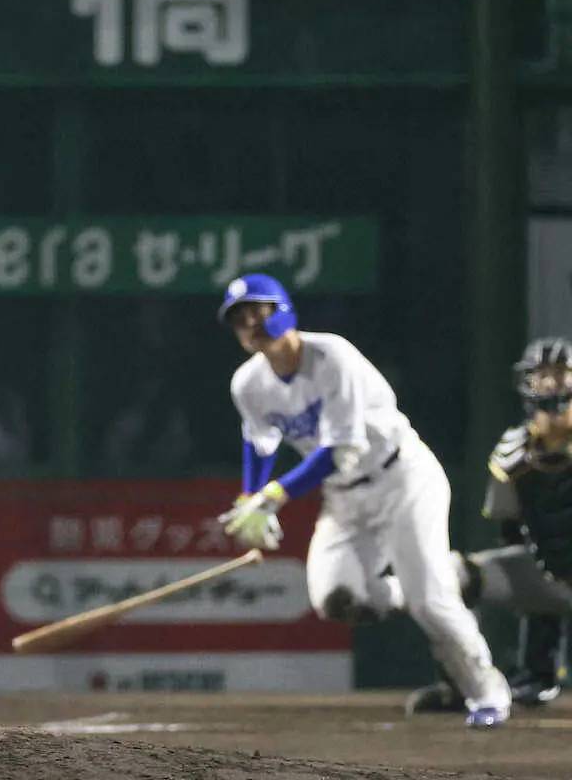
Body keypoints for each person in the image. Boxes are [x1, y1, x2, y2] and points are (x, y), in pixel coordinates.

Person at [214, 273, 512, 728]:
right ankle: (429, 579)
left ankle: (488, 693)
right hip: (345, 498)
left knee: (431, 603)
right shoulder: (248, 383)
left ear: (283, 309)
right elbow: (260, 440)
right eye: (240, 318)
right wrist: (249, 495)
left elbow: (341, 451)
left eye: (258, 311)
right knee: (336, 598)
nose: (250, 323)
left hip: (403, 479)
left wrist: (274, 495)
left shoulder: (331, 356)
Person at [407, 336, 572, 715]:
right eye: (543, 375)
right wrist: (535, 605)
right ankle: (465, 684)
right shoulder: (513, 451)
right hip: (550, 575)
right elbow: (513, 533)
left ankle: (539, 670)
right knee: (451, 574)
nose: (551, 384)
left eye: (560, 374)